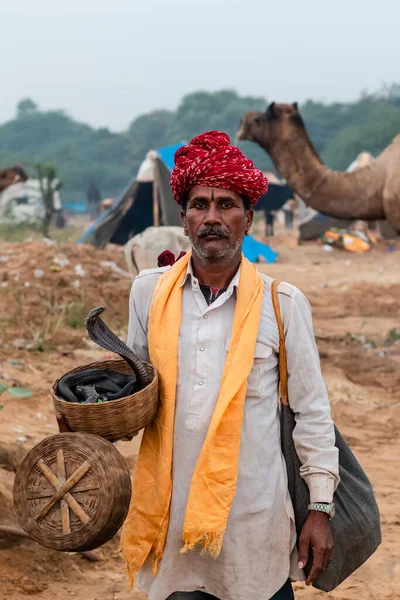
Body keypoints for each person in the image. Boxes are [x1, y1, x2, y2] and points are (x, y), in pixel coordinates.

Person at [119, 131, 339, 600]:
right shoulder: (149, 292)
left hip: (254, 529)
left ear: (249, 218)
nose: (212, 218)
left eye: (226, 205)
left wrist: (319, 508)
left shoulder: (283, 304)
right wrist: (96, 413)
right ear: (184, 218)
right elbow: (133, 393)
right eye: (200, 204)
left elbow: (313, 413)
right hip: (171, 527)